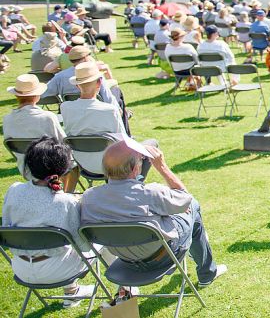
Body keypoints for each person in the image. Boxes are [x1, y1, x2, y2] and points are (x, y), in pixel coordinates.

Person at [80, 141, 227, 288]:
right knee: (193, 205)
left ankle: (198, 251)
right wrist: (161, 166)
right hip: (163, 257)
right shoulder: (151, 193)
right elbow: (186, 199)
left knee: (177, 213)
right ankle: (207, 272)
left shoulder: (89, 198)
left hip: (125, 261)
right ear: (135, 168)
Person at [2, 138, 102, 306]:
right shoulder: (66, 203)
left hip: (21, 268)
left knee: (62, 245)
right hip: (57, 270)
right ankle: (126, 290)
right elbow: (84, 246)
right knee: (101, 242)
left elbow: (8, 228)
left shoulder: (14, 190)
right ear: (62, 169)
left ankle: (73, 292)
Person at [3, 74, 69, 183]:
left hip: (25, 167)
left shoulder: (7, 119)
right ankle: (65, 193)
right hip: (50, 167)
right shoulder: (47, 117)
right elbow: (64, 143)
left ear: (16, 96)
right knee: (72, 162)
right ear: (38, 96)